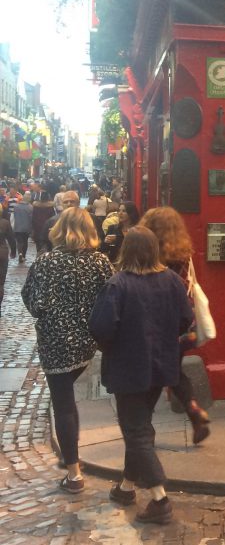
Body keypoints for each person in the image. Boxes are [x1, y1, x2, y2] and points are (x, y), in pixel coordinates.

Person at [89, 226, 193, 524]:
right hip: (160, 366)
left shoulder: (117, 285)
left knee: (136, 431)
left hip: (127, 367)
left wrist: (113, 348)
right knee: (141, 427)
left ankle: (160, 499)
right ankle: (126, 487)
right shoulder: (172, 281)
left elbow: (100, 327)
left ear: (127, 250)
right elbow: (185, 319)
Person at [22, 208, 113, 494]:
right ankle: (73, 463)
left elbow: (32, 302)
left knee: (63, 404)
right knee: (66, 398)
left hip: (55, 342)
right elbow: (113, 299)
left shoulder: (46, 262)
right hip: (87, 342)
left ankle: (74, 474)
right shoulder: (100, 262)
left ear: (59, 229)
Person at [138, 206, 211, 444]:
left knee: (156, 373)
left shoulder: (149, 256)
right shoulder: (183, 253)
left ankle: (143, 429)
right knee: (172, 371)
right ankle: (194, 412)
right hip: (182, 325)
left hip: (157, 326)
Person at [0, 205, 15, 306]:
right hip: (2, 253)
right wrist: (13, 251)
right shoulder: (5, 223)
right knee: (0, 282)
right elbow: (11, 238)